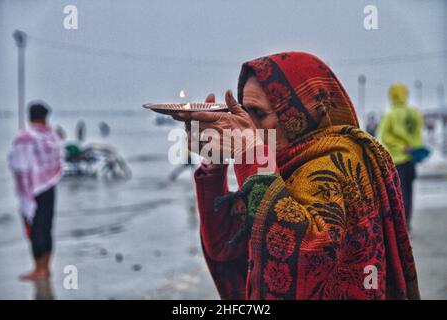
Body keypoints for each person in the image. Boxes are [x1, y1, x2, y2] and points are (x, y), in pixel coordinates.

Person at [174, 52, 419, 300]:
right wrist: (215, 166)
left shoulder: (339, 161)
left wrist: (248, 153)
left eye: (258, 114)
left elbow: (303, 257)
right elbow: (225, 249)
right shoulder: (272, 167)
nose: (250, 127)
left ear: (301, 115)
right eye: (245, 115)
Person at [8, 101, 63, 281]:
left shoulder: (26, 137)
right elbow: (58, 160)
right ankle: (45, 267)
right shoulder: (51, 136)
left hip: (32, 189)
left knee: (35, 229)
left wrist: (25, 192)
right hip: (50, 186)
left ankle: (39, 268)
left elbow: (18, 165)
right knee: (46, 227)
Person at [378, 84, 424, 231]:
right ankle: (408, 223)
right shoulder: (414, 113)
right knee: (409, 194)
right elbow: (418, 134)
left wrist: (400, 147)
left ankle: (401, 226)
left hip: (397, 160)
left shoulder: (390, 114)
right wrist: (413, 147)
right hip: (411, 160)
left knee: (399, 195)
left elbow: (384, 136)